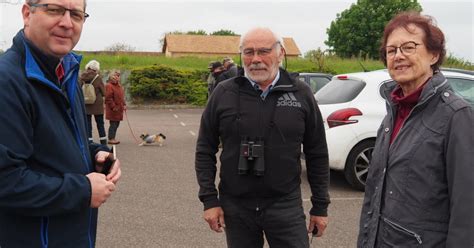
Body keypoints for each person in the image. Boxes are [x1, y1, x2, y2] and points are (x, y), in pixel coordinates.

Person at [0, 0, 122, 247]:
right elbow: (6, 181)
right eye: (54, 10)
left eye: (76, 14)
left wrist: (95, 153)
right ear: (27, 13)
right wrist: (84, 191)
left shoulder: (66, 74)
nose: (66, 23)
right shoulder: (7, 81)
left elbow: (60, 144)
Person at [195, 27, 330, 247]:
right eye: (248, 52)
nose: (255, 59)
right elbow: (204, 149)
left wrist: (320, 206)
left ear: (280, 53)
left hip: (285, 204)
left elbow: (317, 152)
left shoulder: (300, 93)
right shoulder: (224, 92)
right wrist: (209, 200)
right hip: (236, 207)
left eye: (263, 51)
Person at [357, 12, 473, 248]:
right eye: (391, 51)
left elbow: (467, 209)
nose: (398, 56)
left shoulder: (455, 116)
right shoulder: (392, 113)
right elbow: (373, 193)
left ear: (433, 54)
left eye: (408, 47)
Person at [80, 59, 107, 145]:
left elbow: (78, 89)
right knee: (100, 124)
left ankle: (89, 142)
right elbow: (104, 92)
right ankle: (103, 142)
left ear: (88, 67)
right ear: (96, 68)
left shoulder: (81, 77)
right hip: (97, 104)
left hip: (85, 102)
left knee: (87, 124)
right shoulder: (97, 77)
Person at [105, 70, 126, 145]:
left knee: (117, 124)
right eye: (116, 75)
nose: (117, 77)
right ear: (112, 76)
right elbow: (108, 98)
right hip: (113, 109)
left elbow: (121, 96)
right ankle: (111, 138)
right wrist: (113, 107)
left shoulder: (119, 85)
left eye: (118, 75)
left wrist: (124, 104)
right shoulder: (109, 85)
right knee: (113, 124)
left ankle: (113, 137)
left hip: (119, 108)